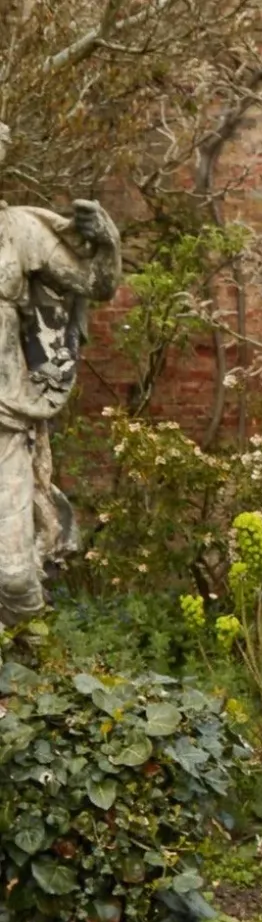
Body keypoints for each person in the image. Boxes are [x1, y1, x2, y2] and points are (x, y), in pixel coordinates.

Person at [0, 124, 121, 621]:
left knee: (14, 573)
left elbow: (96, 284)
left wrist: (106, 240)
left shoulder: (19, 231)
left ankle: (29, 681)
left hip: (4, 416)